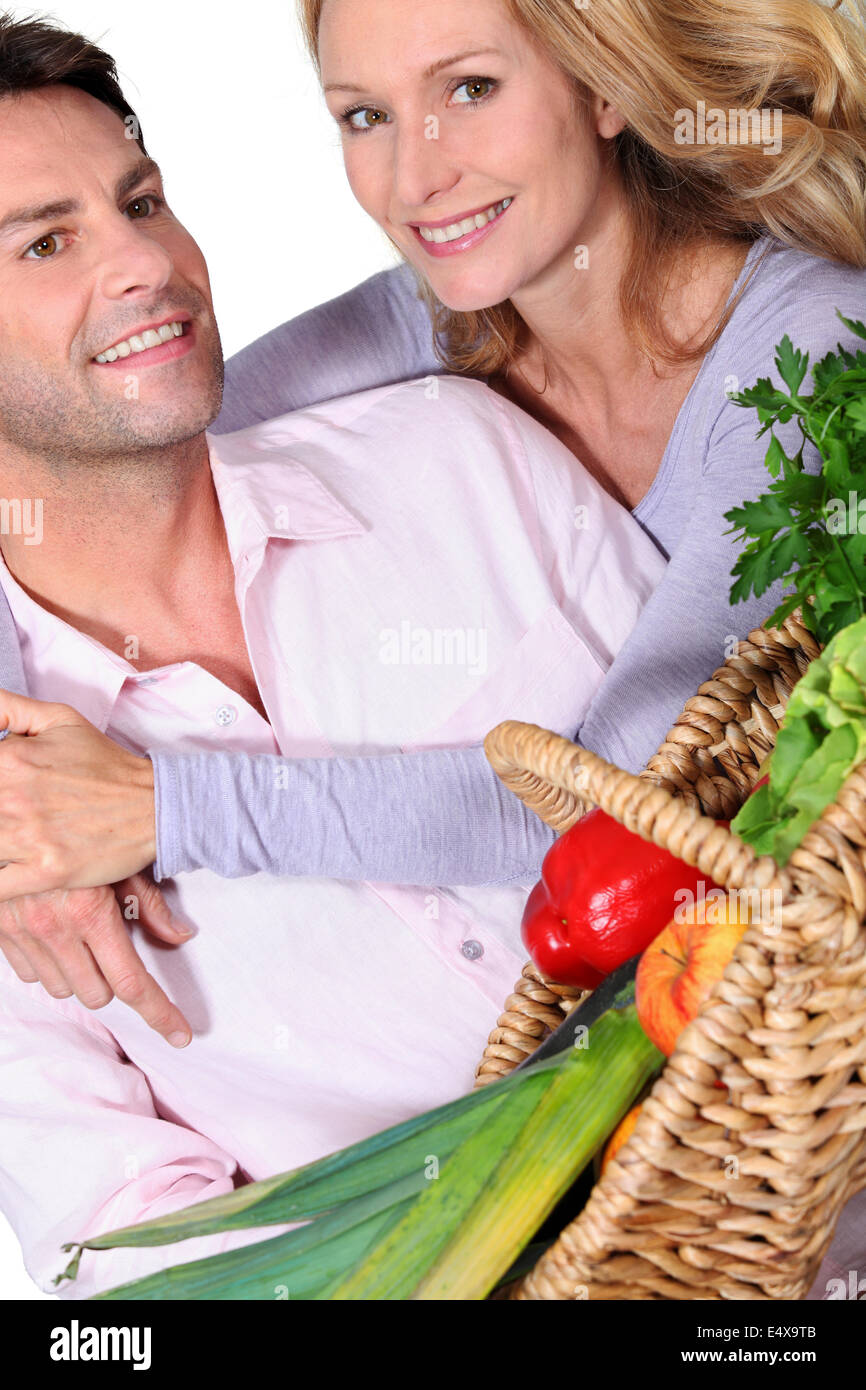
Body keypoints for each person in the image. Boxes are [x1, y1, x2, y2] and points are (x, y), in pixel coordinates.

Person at [1, 0, 865, 1061]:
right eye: (364, 116)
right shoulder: (426, 323)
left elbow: (617, 801)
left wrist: (165, 809)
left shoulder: (809, 357)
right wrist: (18, 819)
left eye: (469, 90)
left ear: (602, 86)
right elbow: (83, 458)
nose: (416, 178)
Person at [0, 21, 666, 1298]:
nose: (147, 259)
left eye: (141, 200)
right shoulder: (16, 857)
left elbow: (728, 786)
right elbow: (126, 1259)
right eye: (47, 240)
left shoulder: (455, 454)